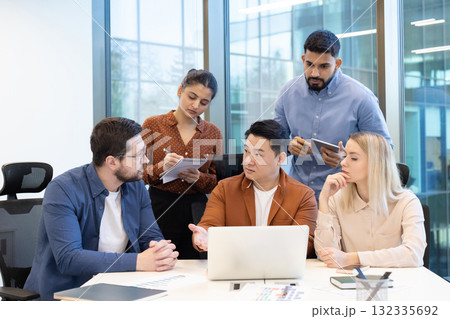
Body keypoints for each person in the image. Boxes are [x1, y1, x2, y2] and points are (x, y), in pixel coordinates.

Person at [24, 117, 179, 300]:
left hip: (119, 287)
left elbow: (150, 236)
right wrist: (139, 261)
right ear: (112, 162)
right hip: (67, 294)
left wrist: (160, 251)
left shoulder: (136, 186)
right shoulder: (62, 189)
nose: (145, 161)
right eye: (138, 156)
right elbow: (69, 259)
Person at [274, 30, 392, 201]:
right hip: (297, 195)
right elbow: (273, 142)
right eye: (309, 64)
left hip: (344, 197)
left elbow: (385, 150)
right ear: (302, 59)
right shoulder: (287, 92)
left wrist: (349, 158)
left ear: (337, 63)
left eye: (323, 66)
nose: (314, 73)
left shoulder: (361, 98)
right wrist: (287, 146)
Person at [188, 120, 318, 257]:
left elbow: (306, 244)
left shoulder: (303, 195)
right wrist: (204, 236)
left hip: (280, 270)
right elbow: (209, 226)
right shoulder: (224, 189)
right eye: (246, 151)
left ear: (280, 159)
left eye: (258, 155)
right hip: (235, 268)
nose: (248, 161)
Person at [142, 69, 223, 259]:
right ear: (180, 90)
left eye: (204, 102)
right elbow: (138, 172)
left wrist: (199, 178)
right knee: (158, 261)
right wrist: (162, 167)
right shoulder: (153, 124)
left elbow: (219, 180)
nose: (196, 105)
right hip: (158, 206)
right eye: (191, 97)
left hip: (196, 210)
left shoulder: (213, 132)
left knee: (196, 264)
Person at [314, 132, 426, 268]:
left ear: (376, 164)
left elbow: (414, 255)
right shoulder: (336, 199)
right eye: (344, 156)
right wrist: (324, 200)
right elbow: (325, 255)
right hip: (350, 284)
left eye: (353, 158)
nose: (343, 162)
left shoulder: (407, 202)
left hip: (397, 283)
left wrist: (352, 258)